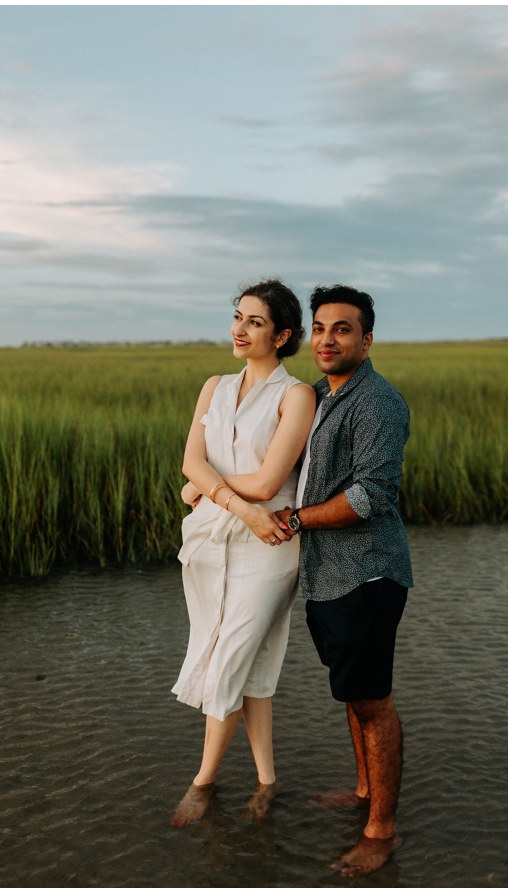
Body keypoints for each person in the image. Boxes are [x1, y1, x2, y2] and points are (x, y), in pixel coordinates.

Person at [274, 286, 413, 877]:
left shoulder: (376, 402)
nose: (328, 340)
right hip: (326, 575)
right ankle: (361, 793)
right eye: (321, 328)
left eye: (344, 329)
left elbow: (371, 495)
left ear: (367, 339)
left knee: (373, 701)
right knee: (352, 693)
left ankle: (382, 831)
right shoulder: (319, 397)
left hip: (367, 575)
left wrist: (297, 519)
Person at [170, 280, 317, 827]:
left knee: (228, 658)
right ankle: (267, 781)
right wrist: (235, 503)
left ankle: (203, 782)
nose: (239, 329)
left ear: (281, 335)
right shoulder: (214, 386)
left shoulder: (296, 395)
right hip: (215, 537)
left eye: (255, 322)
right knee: (248, 666)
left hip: (270, 544)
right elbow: (190, 462)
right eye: (237, 317)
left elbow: (270, 478)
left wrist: (211, 488)